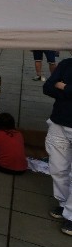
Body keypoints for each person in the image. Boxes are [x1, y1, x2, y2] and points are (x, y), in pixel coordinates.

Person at [44, 56, 72, 236]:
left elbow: (56, 86)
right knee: (57, 167)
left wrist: (65, 87)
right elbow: (47, 87)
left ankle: (71, 215)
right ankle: (64, 204)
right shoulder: (67, 63)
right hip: (59, 122)